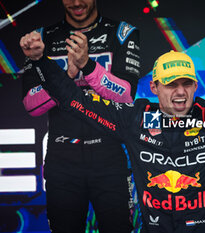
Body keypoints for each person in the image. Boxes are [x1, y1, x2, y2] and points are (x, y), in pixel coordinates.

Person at [20, 31, 205, 233]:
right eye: (171, 84)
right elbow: (73, 99)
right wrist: (39, 61)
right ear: (155, 87)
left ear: (195, 85)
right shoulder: (133, 118)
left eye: (186, 83)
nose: (180, 92)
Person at [20, 0, 140, 232]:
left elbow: (126, 95)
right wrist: (66, 74)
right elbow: (32, 105)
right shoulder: (40, 39)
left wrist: (87, 65)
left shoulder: (123, 33)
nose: (76, 2)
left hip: (110, 155)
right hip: (62, 159)